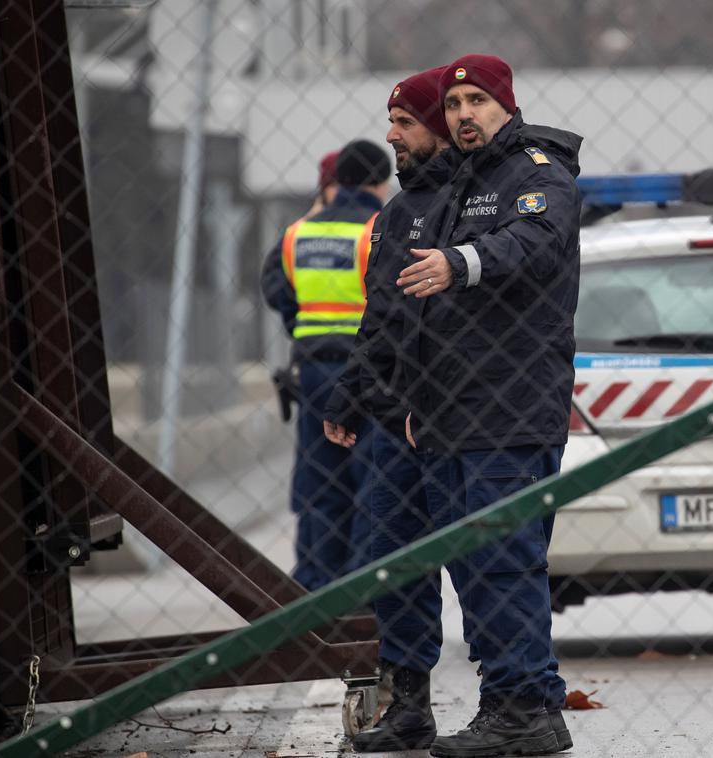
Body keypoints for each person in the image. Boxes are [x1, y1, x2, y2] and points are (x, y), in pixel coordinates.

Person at [380, 53, 583, 758]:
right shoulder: (458, 181)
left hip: (511, 407)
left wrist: (460, 262)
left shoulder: (537, 172)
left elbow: (533, 242)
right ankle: (506, 704)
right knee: (473, 567)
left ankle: (529, 706)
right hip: (447, 412)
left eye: (478, 101)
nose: (465, 114)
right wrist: (416, 395)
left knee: (505, 560)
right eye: (456, 103)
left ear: (506, 104)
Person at [321, 65, 454, 754]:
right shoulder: (397, 214)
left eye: (404, 122)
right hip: (391, 420)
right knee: (393, 559)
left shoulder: (463, 203)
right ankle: (409, 705)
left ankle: (515, 703)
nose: (391, 134)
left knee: (485, 563)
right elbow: (382, 318)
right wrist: (351, 391)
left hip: (456, 417)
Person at [260, 139, 391, 591]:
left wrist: (306, 325)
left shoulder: (298, 233)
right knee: (373, 484)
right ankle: (360, 593)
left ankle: (316, 588)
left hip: (313, 374)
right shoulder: (378, 229)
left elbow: (276, 289)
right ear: (381, 179)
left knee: (320, 485)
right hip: (369, 373)